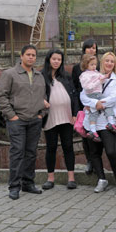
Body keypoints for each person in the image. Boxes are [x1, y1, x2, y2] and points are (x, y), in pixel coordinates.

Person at [0, 45, 47, 200]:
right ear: (21, 56)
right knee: (17, 152)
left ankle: (28, 183)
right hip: (17, 120)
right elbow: (0, 96)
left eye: (33, 55)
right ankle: (14, 186)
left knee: (31, 153)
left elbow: (43, 97)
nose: (31, 57)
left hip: (34, 120)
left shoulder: (39, 76)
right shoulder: (10, 74)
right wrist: (12, 116)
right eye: (28, 54)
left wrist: (41, 114)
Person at [80, 52, 116, 194]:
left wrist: (97, 103)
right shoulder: (92, 75)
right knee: (94, 152)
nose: (109, 63)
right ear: (102, 62)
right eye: (107, 60)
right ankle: (102, 179)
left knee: (111, 151)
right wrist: (95, 103)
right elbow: (83, 95)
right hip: (92, 120)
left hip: (107, 121)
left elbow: (113, 98)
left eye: (112, 61)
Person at [41, 49, 78, 190]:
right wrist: (42, 101)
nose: (56, 61)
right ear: (49, 59)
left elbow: (74, 95)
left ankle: (71, 178)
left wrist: (75, 113)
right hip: (50, 117)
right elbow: (37, 93)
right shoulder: (42, 75)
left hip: (66, 117)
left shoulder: (66, 76)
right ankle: (50, 178)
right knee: (51, 148)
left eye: (59, 59)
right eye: (54, 59)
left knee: (68, 146)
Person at [71, 38, 98, 175]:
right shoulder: (77, 68)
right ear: (84, 50)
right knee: (86, 134)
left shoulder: (98, 67)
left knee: (99, 134)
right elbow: (76, 90)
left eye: (94, 48)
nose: (92, 50)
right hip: (85, 106)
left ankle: (96, 160)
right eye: (89, 48)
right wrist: (77, 109)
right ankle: (90, 160)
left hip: (99, 105)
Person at [79, 54, 116, 141]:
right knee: (106, 105)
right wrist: (99, 81)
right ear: (86, 65)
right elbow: (87, 87)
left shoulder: (95, 72)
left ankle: (93, 130)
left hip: (96, 94)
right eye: (91, 64)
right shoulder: (85, 75)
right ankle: (110, 122)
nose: (94, 66)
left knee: (94, 112)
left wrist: (104, 77)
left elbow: (100, 78)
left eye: (95, 64)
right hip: (94, 94)